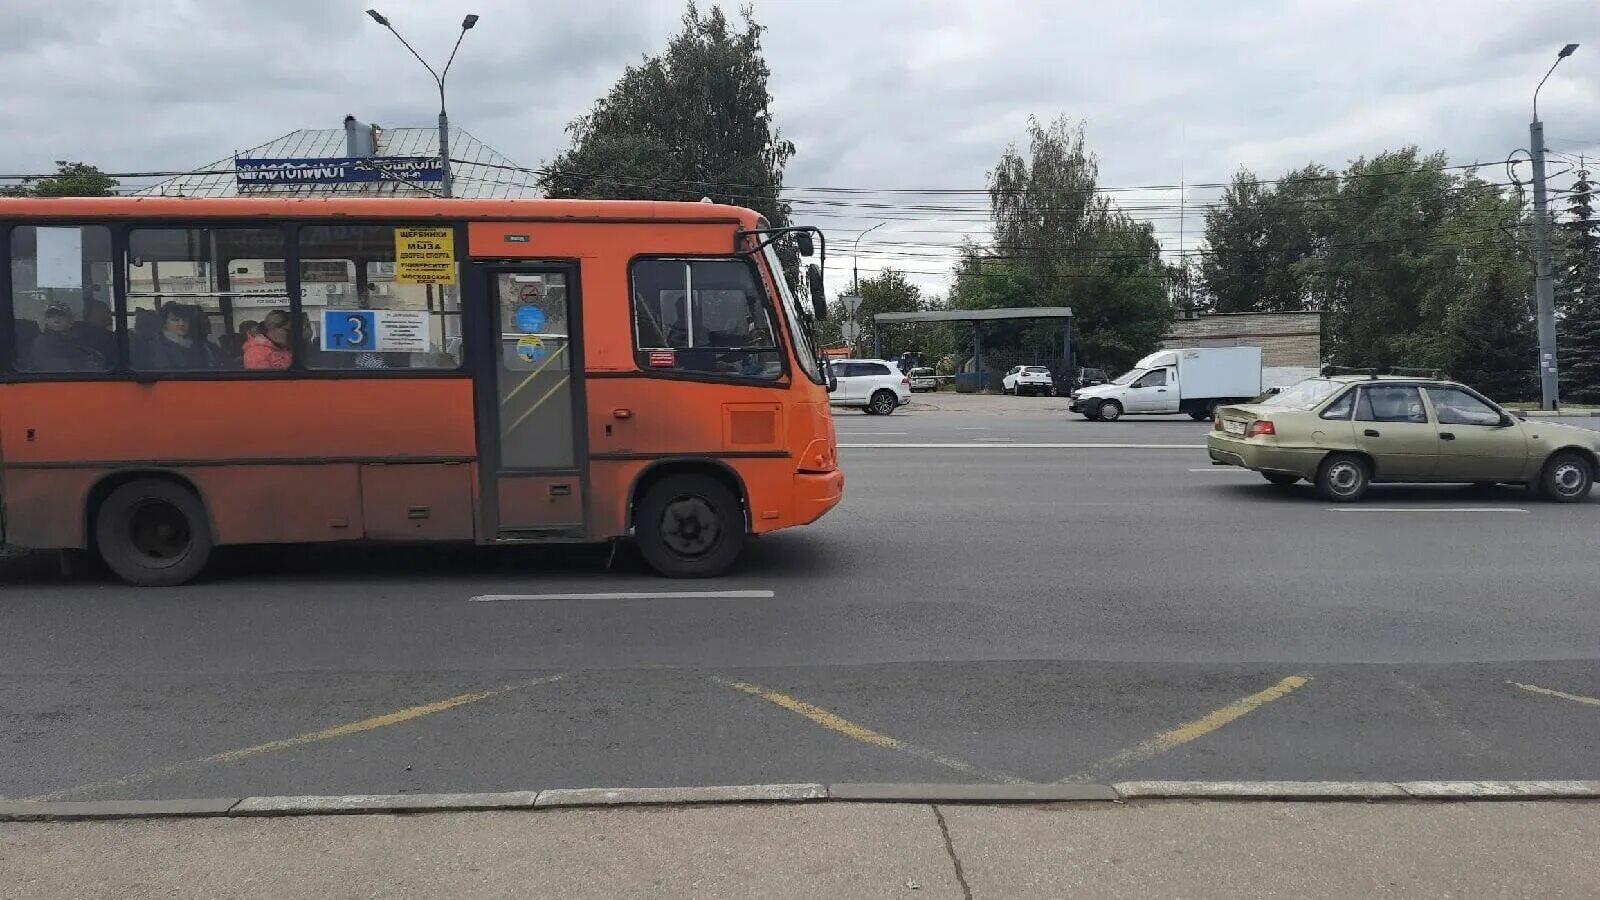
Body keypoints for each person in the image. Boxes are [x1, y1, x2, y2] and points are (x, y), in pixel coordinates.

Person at [26, 301, 108, 372]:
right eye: (51, 316)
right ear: (46, 320)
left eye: (61, 315)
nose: (56, 319)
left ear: (70, 319)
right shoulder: (40, 342)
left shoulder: (82, 340)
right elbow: (51, 367)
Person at [138, 303, 221, 370]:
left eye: (185, 319)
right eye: (175, 320)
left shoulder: (206, 347)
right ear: (164, 323)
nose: (181, 324)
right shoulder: (154, 347)